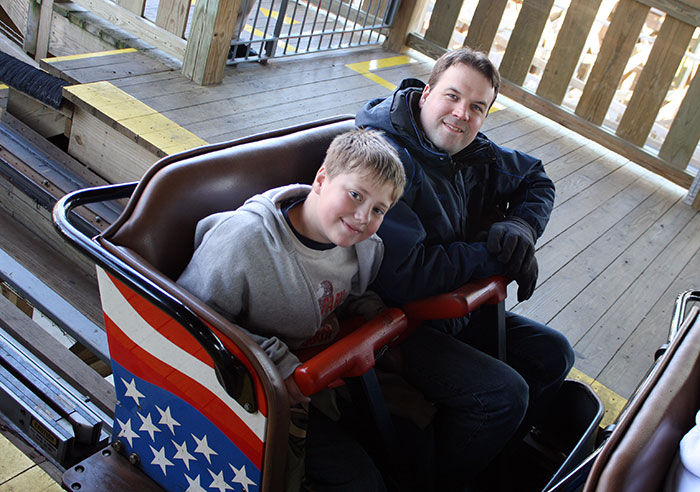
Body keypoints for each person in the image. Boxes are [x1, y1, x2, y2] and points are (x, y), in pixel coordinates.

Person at [355, 47, 575, 491]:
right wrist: (494, 255)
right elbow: (406, 277)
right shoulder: (384, 160)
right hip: (393, 322)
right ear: (426, 92)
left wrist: (520, 227)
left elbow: (536, 178)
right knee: (502, 396)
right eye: (452, 97)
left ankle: (487, 461)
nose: (461, 114)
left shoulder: (467, 150)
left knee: (554, 353)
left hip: (450, 310)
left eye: (477, 107)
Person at [177, 128, 406, 491]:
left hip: (321, 374)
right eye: (355, 195)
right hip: (252, 389)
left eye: (378, 209)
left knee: (406, 444)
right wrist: (274, 361)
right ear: (321, 179)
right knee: (360, 481)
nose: (364, 217)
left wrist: (374, 317)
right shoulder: (244, 241)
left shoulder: (363, 247)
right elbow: (190, 321)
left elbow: (349, 299)